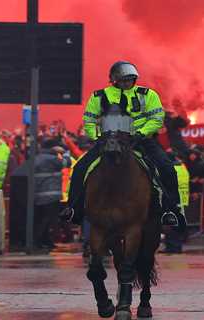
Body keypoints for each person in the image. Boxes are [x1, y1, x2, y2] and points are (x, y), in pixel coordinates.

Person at [60, 61, 182, 227]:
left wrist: (140, 134)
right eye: (123, 80)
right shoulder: (99, 96)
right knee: (81, 167)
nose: (127, 83)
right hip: (108, 140)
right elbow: (89, 120)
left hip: (142, 141)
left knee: (166, 168)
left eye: (130, 80)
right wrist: (97, 137)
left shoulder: (147, 95)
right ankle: (73, 209)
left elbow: (157, 119)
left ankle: (171, 210)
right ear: (114, 80)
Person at [34, 139, 72, 249]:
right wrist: (65, 152)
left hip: (39, 194)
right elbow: (67, 162)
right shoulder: (52, 159)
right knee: (48, 219)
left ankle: (46, 241)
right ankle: (39, 241)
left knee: (43, 219)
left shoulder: (38, 158)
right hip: (51, 195)